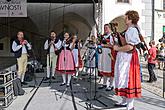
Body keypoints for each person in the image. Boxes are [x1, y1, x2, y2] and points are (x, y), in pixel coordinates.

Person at [113, 10, 141, 110]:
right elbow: (126, 44)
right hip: (125, 57)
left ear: (130, 18)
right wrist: (120, 39)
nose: (125, 18)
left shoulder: (133, 30)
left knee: (128, 80)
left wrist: (118, 49)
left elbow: (130, 47)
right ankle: (124, 101)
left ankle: (130, 106)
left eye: (126, 17)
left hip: (129, 59)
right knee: (122, 78)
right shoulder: (129, 29)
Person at [98, 24, 115, 91]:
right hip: (103, 53)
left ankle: (111, 85)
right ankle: (104, 84)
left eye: (106, 28)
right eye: (104, 28)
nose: (105, 29)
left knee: (110, 69)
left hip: (109, 53)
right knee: (104, 68)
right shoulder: (103, 36)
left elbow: (113, 45)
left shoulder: (112, 35)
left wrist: (104, 45)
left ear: (110, 28)